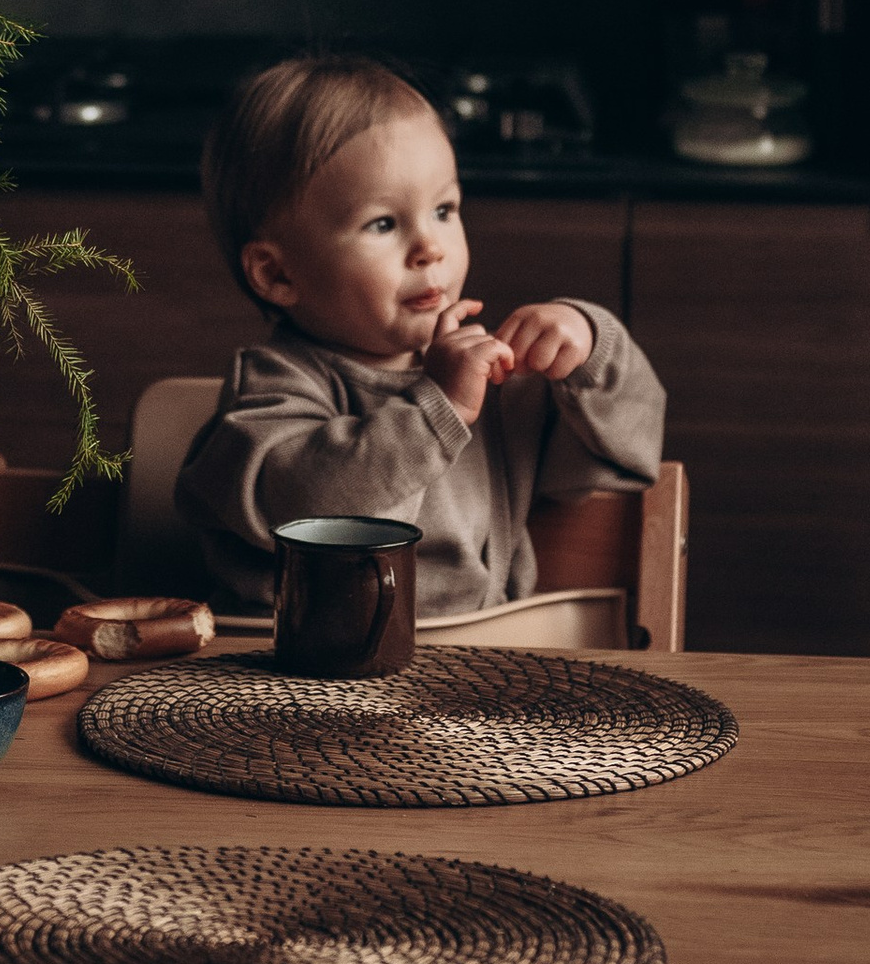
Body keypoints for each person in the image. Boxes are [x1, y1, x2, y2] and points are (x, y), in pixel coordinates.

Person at [173, 52, 665, 620]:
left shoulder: (491, 379)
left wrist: (588, 344)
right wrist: (438, 407)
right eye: (383, 223)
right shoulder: (273, 387)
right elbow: (310, 516)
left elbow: (621, 454)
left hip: (479, 661)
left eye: (443, 209)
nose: (430, 247)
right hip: (308, 672)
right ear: (279, 274)